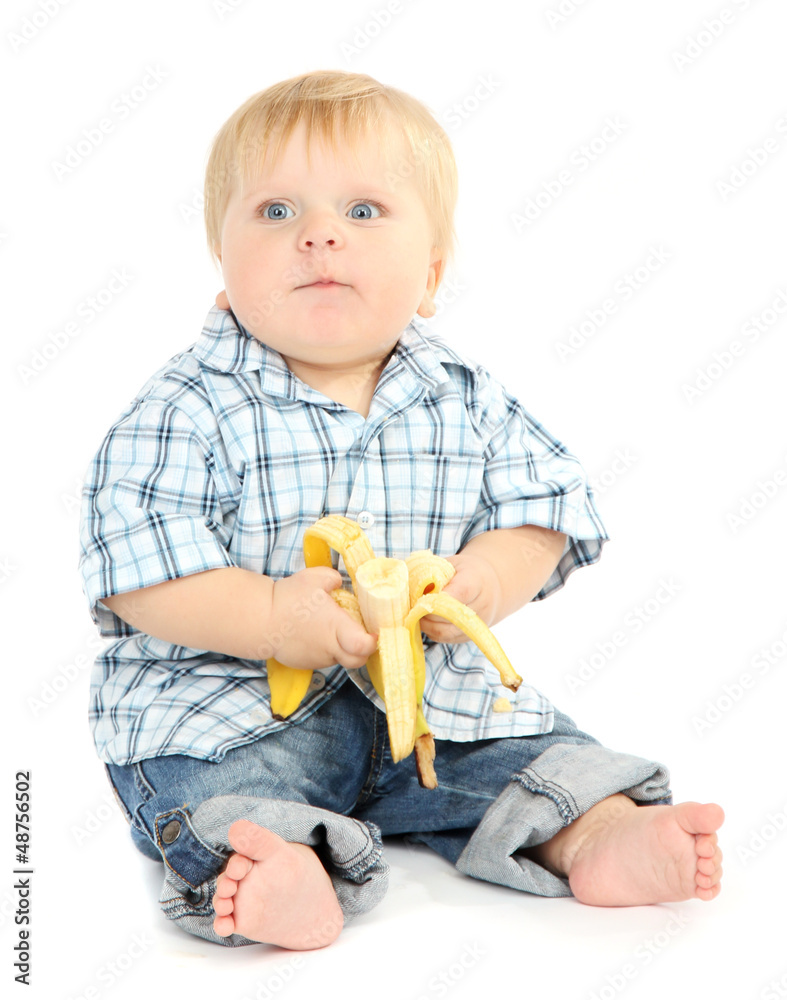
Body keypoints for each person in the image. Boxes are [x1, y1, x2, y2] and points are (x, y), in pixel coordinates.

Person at [78, 70, 723, 951]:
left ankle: (598, 834)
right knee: (214, 792)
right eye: (275, 213)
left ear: (430, 273)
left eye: (364, 212)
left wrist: (484, 579)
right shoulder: (187, 405)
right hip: (229, 710)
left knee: (534, 756)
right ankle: (283, 867)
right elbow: (136, 571)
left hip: (433, 709)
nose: (319, 236)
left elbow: (545, 506)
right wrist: (272, 617)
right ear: (221, 263)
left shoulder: (462, 393)